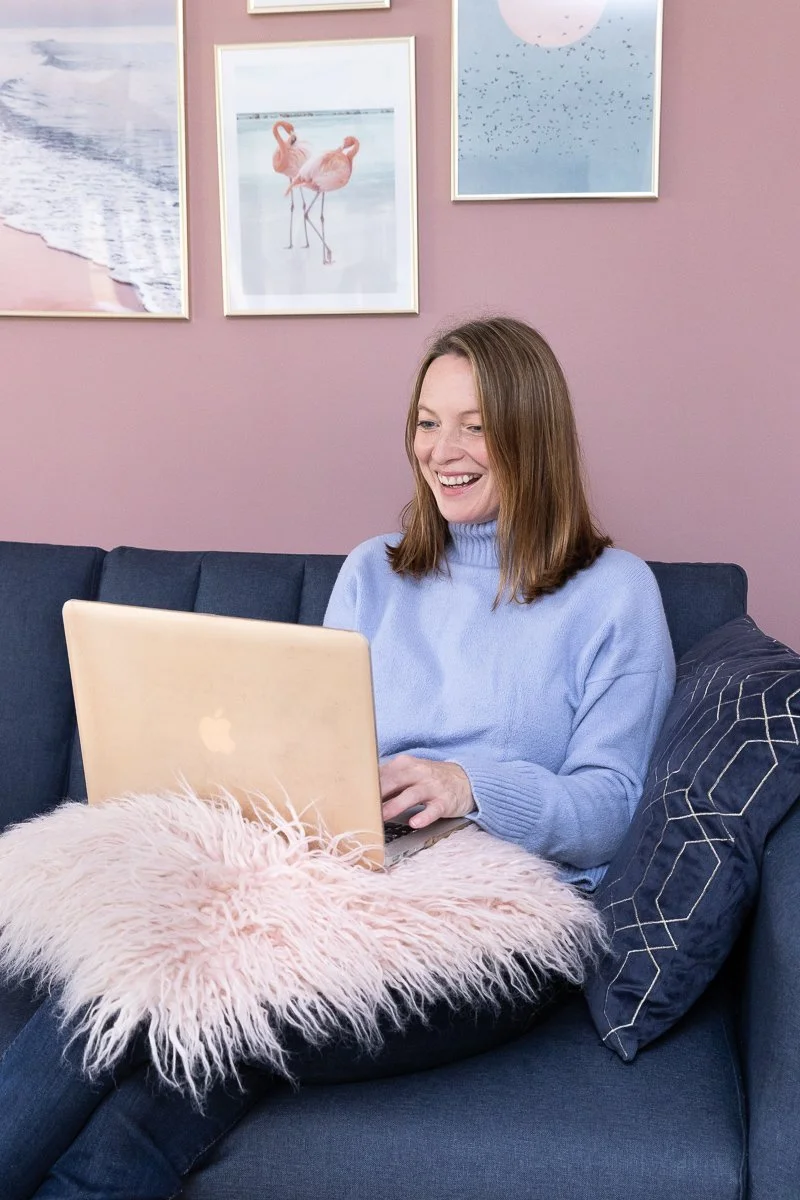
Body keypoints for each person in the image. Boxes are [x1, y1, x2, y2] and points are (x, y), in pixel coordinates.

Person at [0, 316, 675, 1197]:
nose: (443, 451)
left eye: (475, 425)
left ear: (532, 433)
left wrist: (470, 786)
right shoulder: (374, 572)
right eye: (427, 422)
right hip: (341, 875)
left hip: (492, 915)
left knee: (172, 1018)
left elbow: (614, 807)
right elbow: (312, 745)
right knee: (140, 991)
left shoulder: (615, 594)